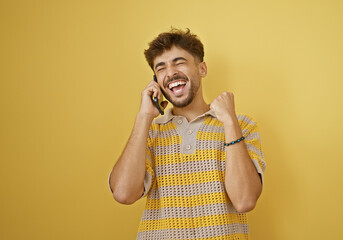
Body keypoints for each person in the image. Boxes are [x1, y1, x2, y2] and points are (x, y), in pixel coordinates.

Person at [108, 28, 266, 240]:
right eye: (161, 67)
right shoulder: (150, 132)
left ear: (202, 69)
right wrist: (144, 116)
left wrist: (229, 121)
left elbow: (245, 200)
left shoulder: (241, 126)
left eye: (179, 62)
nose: (170, 72)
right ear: (156, 80)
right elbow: (123, 194)